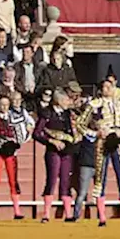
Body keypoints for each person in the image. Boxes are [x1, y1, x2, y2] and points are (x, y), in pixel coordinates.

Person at [75, 78, 120, 227]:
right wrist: (95, 134)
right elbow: (79, 123)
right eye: (105, 87)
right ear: (100, 90)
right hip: (102, 142)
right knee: (100, 180)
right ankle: (102, 218)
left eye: (110, 86)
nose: (108, 89)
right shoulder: (94, 105)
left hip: (117, 143)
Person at [0, 93, 33, 219]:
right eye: (2, 104)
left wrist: (26, 135)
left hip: (11, 153)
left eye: (6, 105)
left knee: (13, 181)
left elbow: (22, 135)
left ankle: (17, 211)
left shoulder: (14, 118)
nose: (4, 107)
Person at [35, 88, 78, 222]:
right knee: (52, 179)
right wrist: (52, 141)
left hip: (67, 150)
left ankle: (69, 214)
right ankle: (46, 214)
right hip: (53, 150)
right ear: (59, 101)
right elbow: (37, 133)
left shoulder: (67, 114)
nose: (68, 102)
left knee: (66, 180)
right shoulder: (47, 113)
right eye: (66, 100)